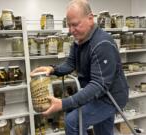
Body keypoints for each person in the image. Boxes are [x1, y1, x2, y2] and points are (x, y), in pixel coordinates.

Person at [30, 0, 129, 135]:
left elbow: (98, 85)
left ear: (90, 18)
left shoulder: (102, 44)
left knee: (72, 121)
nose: (71, 31)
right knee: (103, 131)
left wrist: (64, 103)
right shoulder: (79, 40)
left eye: (75, 25)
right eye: (69, 25)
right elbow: (70, 64)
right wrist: (52, 69)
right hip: (97, 95)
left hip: (110, 98)